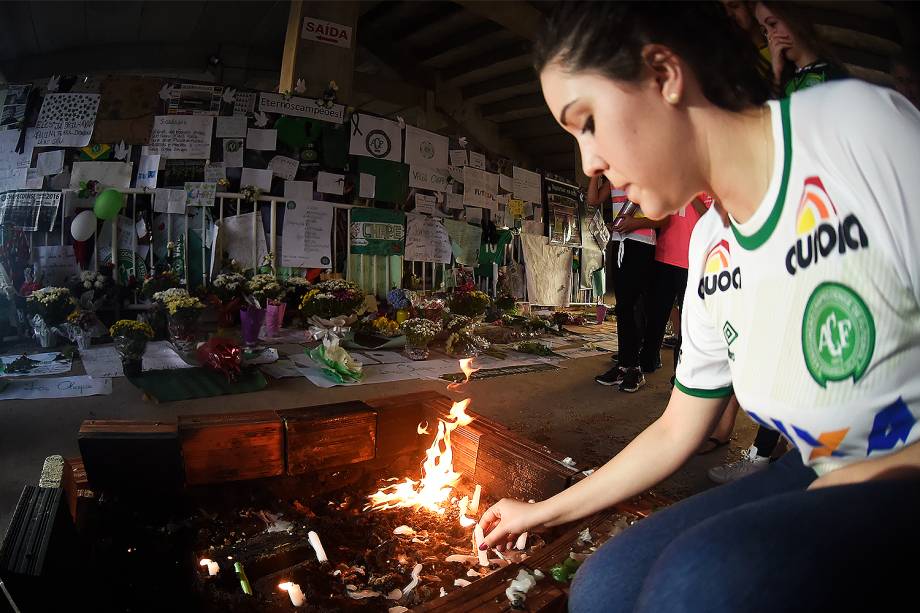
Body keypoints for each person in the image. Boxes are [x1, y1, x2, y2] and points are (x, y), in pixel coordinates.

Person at [477, 3, 920, 612]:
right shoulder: (713, 244)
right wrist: (545, 509)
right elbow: (677, 427)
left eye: (588, 122)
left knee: (701, 583)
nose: (589, 162)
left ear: (663, 74)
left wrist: (865, 478)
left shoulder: (849, 130)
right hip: (822, 468)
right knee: (602, 588)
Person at [707, 0, 850, 483]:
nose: (774, 34)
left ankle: (799, 455)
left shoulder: (838, 82)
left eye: (777, 22)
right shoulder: (786, 78)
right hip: (788, 225)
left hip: (822, 227)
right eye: (765, 26)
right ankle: (774, 451)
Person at [593, 178, 664, 392]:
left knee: (636, 306)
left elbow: (662, 219)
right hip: (619, 243)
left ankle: (637, 368)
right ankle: (624, 364)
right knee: (623, 306)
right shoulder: (614, 177)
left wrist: (635, 223)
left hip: (642, 245)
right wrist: (595, 174)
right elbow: (593, 200)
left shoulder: (646, 174)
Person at [638, 194, 709, 378]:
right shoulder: (673, 183)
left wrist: (692, 193)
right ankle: (648, 360)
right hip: (664, 255)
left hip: (691, 262)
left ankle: (680, 372)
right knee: (656, 313)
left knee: (687, 318)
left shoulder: (706, 187)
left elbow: (709, 217)